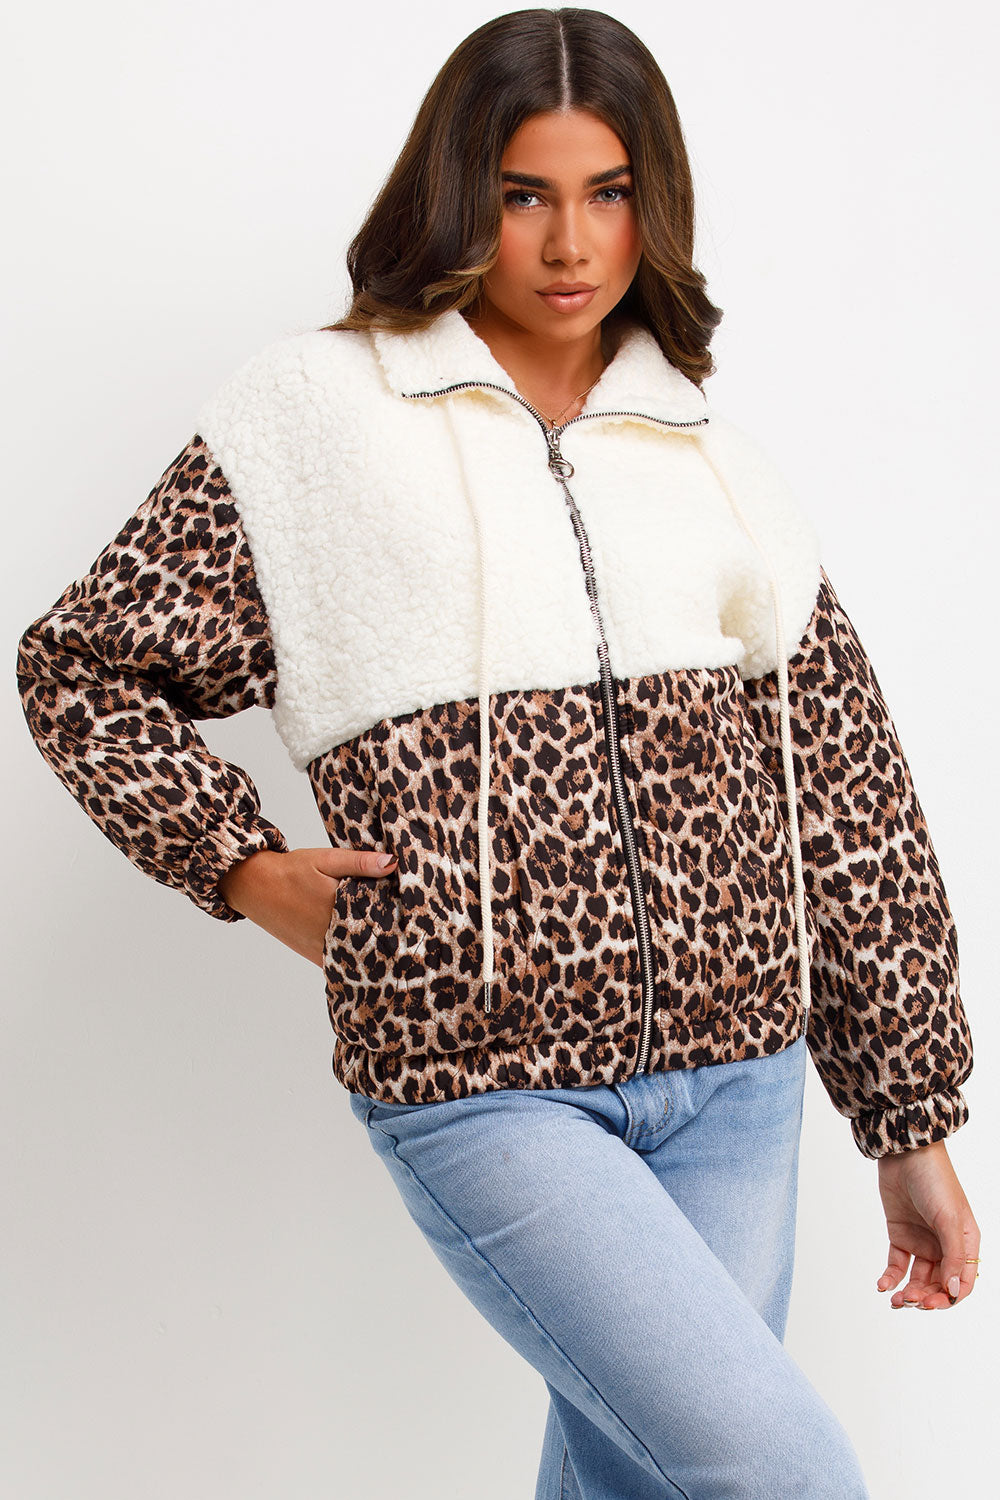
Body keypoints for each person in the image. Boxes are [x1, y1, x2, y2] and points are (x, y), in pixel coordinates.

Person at [16, 8, 979, 1498]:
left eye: (609, 192)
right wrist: (242, 866)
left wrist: (907, 1117)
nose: (570, 244)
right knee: (782, 1477)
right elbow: (82, 665)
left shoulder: (703, 450)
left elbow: (848, 793)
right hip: (481, 1076)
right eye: (526, 193)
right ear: (460, 194)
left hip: (739, 1075)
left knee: (642, 1482)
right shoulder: (317, 417)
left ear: (654, 203)